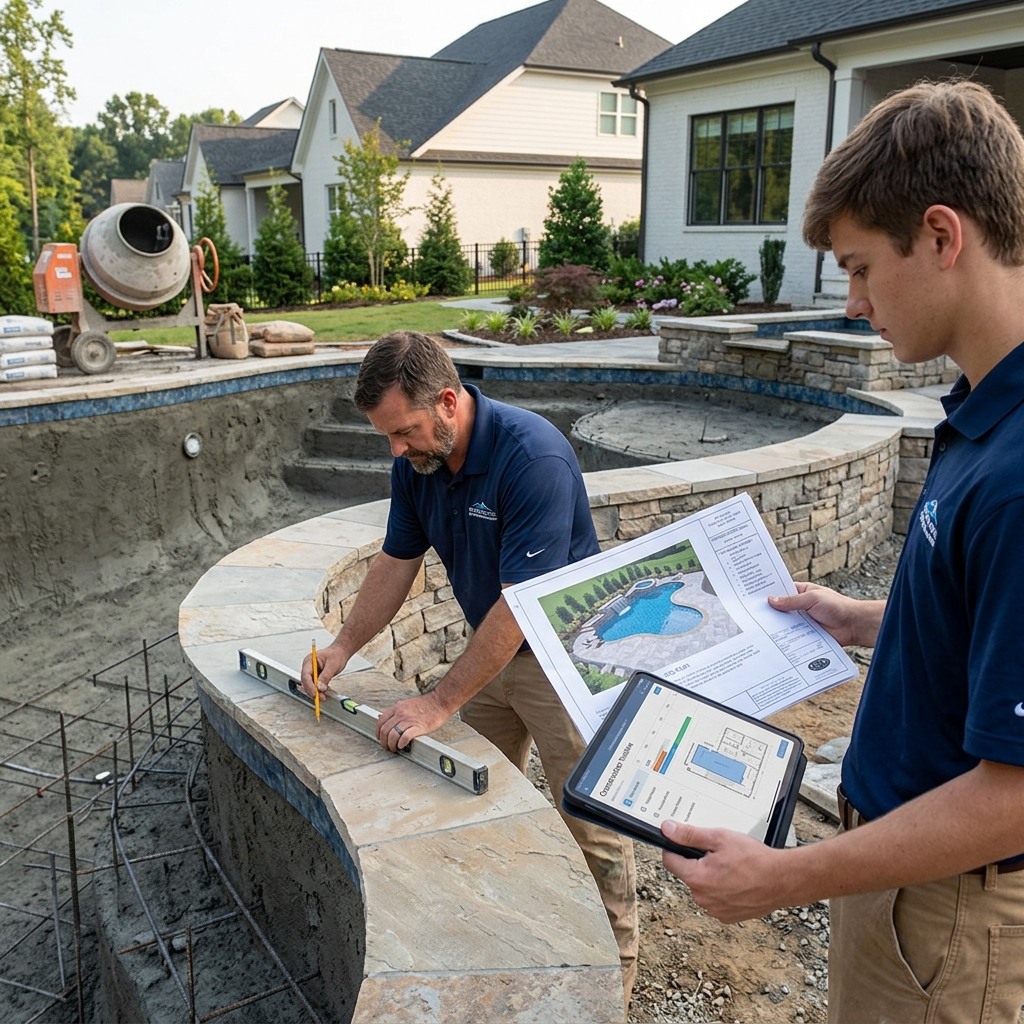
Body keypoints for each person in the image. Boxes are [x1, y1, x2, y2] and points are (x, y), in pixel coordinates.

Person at [657, 80, 1024, 1023]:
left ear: (942, 237)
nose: (853, 304)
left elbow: (1013, 794)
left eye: (860, 269)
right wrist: (865, 618)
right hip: (912, 876)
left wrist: (786, 878)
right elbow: (984, 615)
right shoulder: (986, 406)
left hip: (951, 911)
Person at [301, 331, 638, 1006]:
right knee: (471, 800)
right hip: (496, 657)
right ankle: (516, 939)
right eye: (388, 437)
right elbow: (397, 562)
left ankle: (613, 983)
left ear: (448, 402)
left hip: (567, 660)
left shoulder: (532, 456)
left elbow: (522, 609)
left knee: (593, 826)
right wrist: (342, 647)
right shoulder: (417, 465)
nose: (397, 450)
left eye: (405, 431)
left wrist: (437, 702)